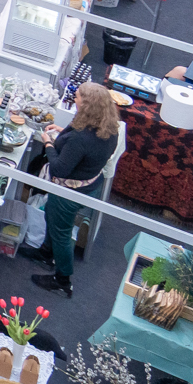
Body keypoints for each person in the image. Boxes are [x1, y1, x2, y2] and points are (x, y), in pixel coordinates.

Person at [27, 82, 122, 297]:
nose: (74, 98)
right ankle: (45, 253)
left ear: (87, 105)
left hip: (68, 193)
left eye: (77, 96)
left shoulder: (80, 139)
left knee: (61, 232)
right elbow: (88, 149)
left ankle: (62, 279)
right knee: (54, 220)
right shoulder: (110, 128)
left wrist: (49, 144)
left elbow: (58, 169)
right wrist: (63, 133)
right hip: (89, 184)